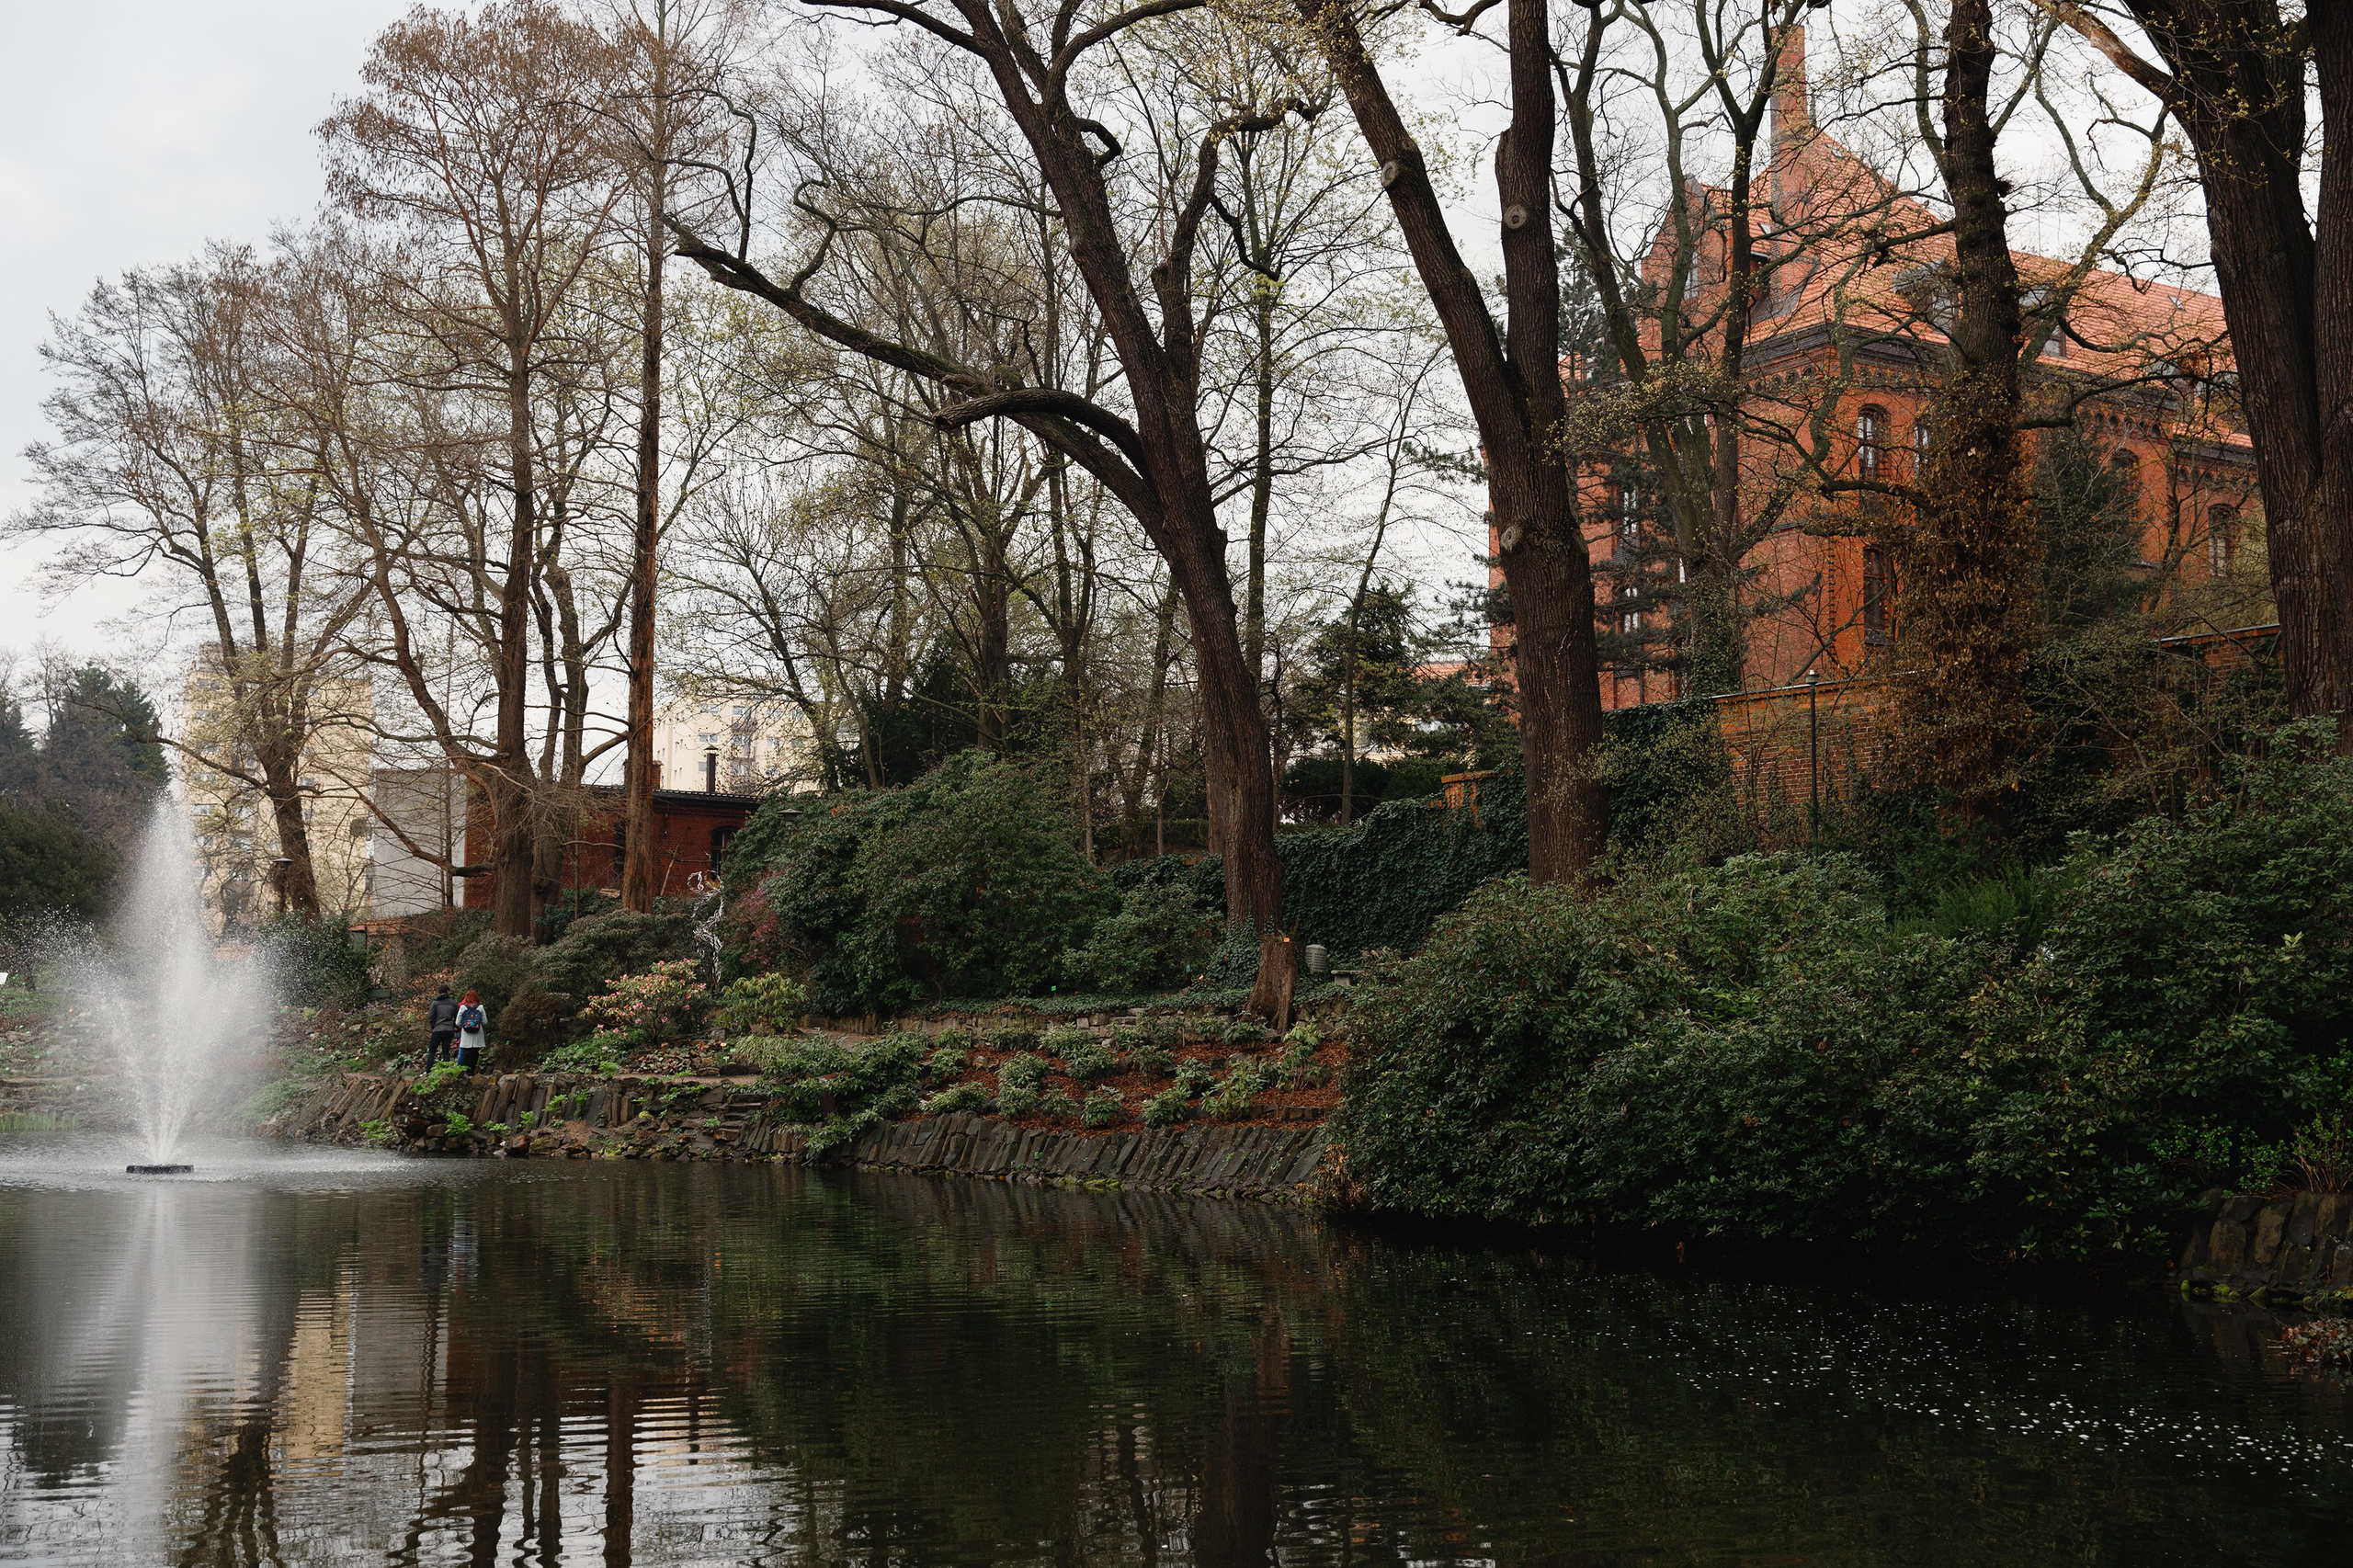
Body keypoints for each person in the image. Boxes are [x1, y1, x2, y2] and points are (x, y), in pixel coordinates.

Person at [426, 984, 460, 1067]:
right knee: (446, 1051)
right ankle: (446, 1071)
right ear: (448, 991)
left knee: (431, 1051)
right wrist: (455, 1026)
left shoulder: (435, 1003)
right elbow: (458, 1016)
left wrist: (433, 1025)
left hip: (437, 1029)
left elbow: (430, 1017)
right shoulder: (453, 1003)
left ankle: (428, 1070)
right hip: (449, 1030)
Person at [455, 991, 488, 1073]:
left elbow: (457, 1023)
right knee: (475, 1053)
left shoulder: (463, 1007)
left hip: (466, 1035)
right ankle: (471, 1072)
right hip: (477, 1034)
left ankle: (461, 1072)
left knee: (464, 1053)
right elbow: (485, 1022)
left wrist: (465, 1026)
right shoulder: (480, 1007)